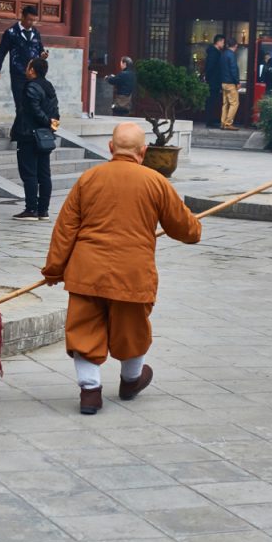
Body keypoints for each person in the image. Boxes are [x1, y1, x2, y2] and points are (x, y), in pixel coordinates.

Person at [41, 122, 202, 415]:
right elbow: (186, 229)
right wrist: (194, 227)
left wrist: (54, 269)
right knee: (133, 331)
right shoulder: (156, 182)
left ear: (111, 148)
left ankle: (90, 392)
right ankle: (130, 381)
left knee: (84, 331)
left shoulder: (88, 179)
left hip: (86, 272)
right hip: (133, 275)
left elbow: (65, 229)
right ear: (143, 151)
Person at [11, 58, 60, 222]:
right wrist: (53, 123)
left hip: (29, 135)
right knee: (44, 174)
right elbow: (55, 110)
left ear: (32, 70)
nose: (26, 69)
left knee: (30, 173)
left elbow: (34, 109)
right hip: (44, 136)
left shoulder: (31, 86)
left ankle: (31, 209)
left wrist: (46, 121)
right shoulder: (49, 86)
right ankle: (43, 210)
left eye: (28, 66)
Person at [0, 6, 49, 114]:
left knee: (33, 105)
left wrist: (43, 55)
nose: (31, 23)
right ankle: (20, 130)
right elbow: (1, 52)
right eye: (29, 19)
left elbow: (40, 49)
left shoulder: (36, 33)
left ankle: (29, 129)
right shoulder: (11, 33)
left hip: (34, 75)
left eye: (34, 20)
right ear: (22, 17)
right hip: (18, 74)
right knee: (20, 105)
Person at [204, 34, 225, 128]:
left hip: (214, 80)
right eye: (223, 42)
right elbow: (210, 67)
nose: (223, 44)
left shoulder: (216, 52)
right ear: (218, 42)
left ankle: (211, 119)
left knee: (213, 101)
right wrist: (208, 78)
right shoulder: (214, 52)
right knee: (211, 101)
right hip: (213, 81)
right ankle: (209, 121)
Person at [219, 38, 240, 131]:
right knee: (234, 103)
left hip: (223, 82)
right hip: (231, 83)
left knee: (225, 103)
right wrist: (237, 82)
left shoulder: (223, 54)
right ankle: (228, 123)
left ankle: (223, 123)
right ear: (235, 45)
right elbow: (233, 69)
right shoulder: (231, 55)